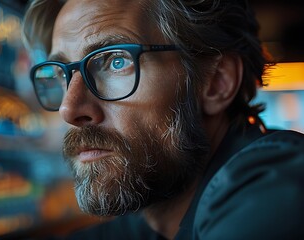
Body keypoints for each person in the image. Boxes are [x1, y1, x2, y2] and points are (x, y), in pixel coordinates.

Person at [22, 0, 304, 239]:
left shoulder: (274, 186)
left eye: (115, 61)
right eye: (62, 74)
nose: (69, 109)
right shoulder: (155, 217)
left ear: (217, 82)